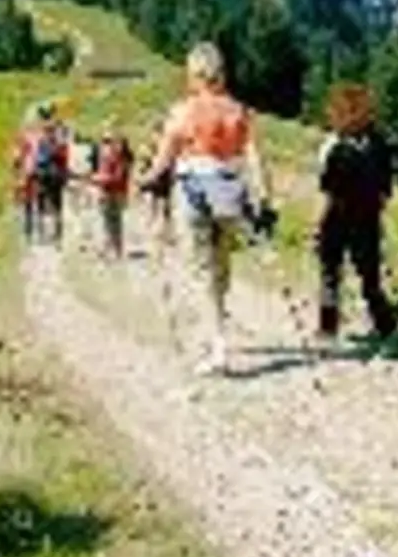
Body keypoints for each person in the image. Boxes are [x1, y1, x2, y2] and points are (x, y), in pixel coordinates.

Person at [137, 42, 276, 376]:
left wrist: (147, 180)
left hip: (193, 192)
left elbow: (163, 161)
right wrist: (265, 201)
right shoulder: (239, 111)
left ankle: (217, 344)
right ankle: (218, 325)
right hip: (230, 192)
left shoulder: (183, 111)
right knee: (220, 262)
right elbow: (256, 158)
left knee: (200, 269)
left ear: (196, 73)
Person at [313, 83, 398, 354]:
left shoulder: (334, 149)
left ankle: (328, 331)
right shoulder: (381, 144)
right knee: (370, 279)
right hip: (368, 222)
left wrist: (317, 225)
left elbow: (327, 193)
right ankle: (387, 328)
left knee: (330, 276)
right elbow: (386, 192)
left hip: (337, 221)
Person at [13, 102, 68, 246]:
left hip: (39, 171)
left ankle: (41, 233)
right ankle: (47, 233)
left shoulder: (39, 134)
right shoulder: (55, 131)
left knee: (39, 202)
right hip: (42, 171)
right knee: (43, 203)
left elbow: (20, 156)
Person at [90, 127, 135, 259]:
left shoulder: (121, 158)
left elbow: (117, 178)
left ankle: (114, 251)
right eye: (104, 141)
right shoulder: (107, 156)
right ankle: (110, 249)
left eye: (108, 141)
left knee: (113, 223)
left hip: (114, 194)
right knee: (108, 222)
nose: (105, 145)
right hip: (107, 193)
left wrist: (97, 179)